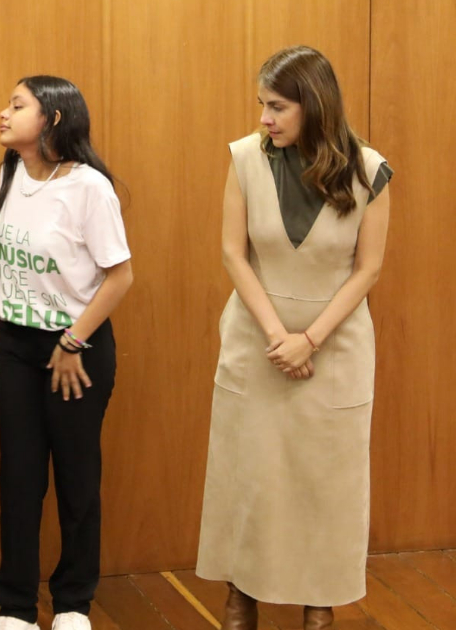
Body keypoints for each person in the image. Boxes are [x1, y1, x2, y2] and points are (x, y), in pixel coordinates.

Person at [195, 46, 392, 630]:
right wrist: (280, 335)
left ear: (314, 105)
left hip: (335, 350)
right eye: (262, 106)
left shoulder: (369, 171)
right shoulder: (244, 160)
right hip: (257, 340)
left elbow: (368, 269)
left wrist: (311, 339)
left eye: (277, 107)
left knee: (325, 481)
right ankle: (240, 596)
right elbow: (234, 253)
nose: (264, 119)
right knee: (248, 474)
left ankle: (319, 603)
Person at [0, 76, 133, 630]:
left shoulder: (89, 187)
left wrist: (73, 342)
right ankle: (15, 608)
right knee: (18, 478)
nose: (3, 113)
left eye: (17, 105)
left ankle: (73, 604)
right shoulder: (10, 172)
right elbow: (8, 255)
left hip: (77, 349)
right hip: (19, 344)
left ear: (52, 120)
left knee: (76, 477)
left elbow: (120, 277)